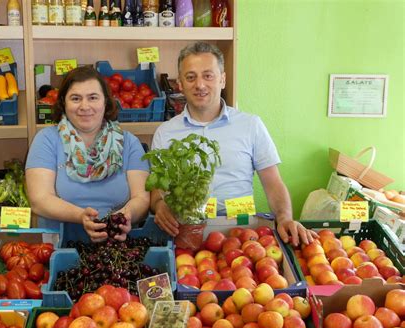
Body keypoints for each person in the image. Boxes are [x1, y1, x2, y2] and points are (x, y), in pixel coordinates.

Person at [150, 42, 316, 246]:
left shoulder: (250, 125)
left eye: (208, 75)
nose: (200, 85)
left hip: (240, 232)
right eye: (191, 77)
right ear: (180, 84)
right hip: (185, 231)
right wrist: (159, 205)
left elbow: (273, 182)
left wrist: (284, 217)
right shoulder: (165, 133)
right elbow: (156, 187)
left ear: (223, 79)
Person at [26, 66, 150, 242]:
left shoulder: (128, 142)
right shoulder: (46, 140)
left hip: (117, 248)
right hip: (59, 247)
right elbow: (39, 200)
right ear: (63, 102)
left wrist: (126, 216)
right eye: (76, 98)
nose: (85, 106)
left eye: (93, 98)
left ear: (105, 102)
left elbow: (142, 198)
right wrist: (81, 216)